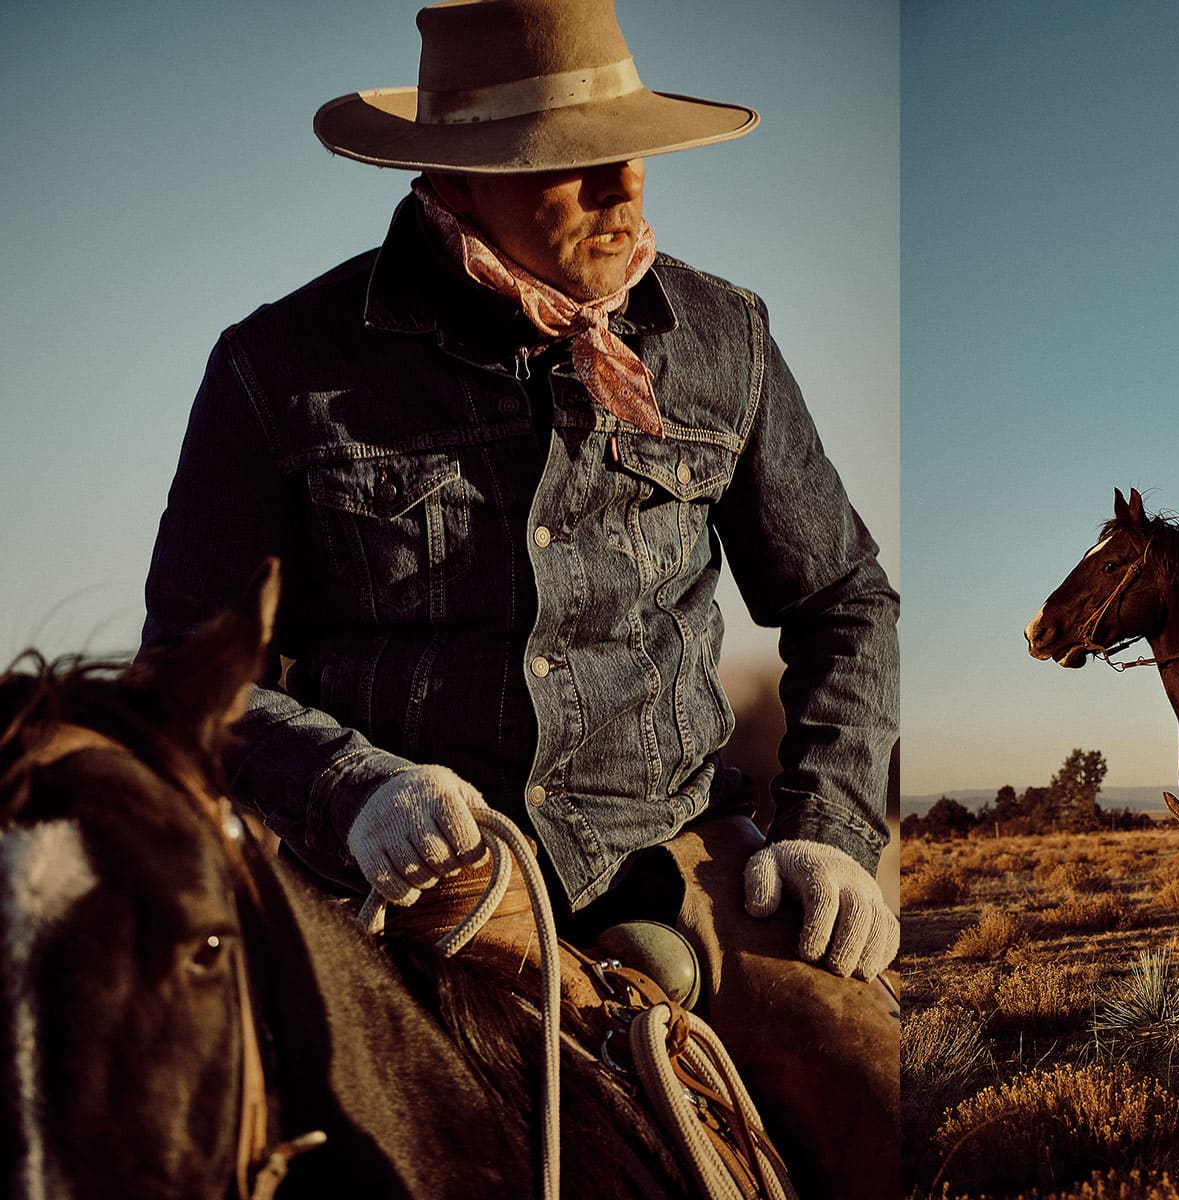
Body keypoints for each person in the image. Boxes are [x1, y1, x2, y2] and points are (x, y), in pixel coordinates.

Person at [140, 1, 898, 1193]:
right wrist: (352, 790)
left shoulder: (723, 338)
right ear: (456, 179)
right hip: (401, 877)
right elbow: (186, 670)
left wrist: (831, 831)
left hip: (674, 846)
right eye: (572, 163)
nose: (625, 187)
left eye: (633, 148)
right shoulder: (279, 369)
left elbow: (846, 598)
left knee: (876, 1091)